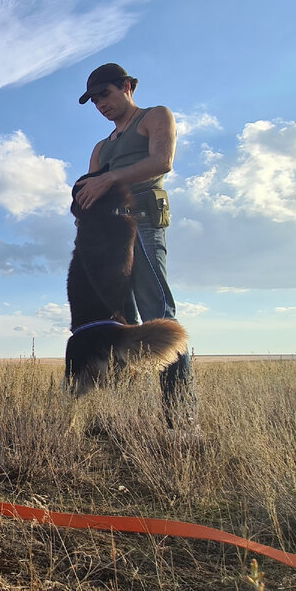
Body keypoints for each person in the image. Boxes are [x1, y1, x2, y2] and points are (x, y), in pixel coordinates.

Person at [75, 63, 198, 431]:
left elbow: (163, 161)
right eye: (94, 101)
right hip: (107, 234)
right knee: (117, 321)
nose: (101, 105)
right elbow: (91, 188)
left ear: (127, 86)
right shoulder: (101, 147)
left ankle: (181, 420)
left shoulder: (154, 116)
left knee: (157, 311)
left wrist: (110, 177)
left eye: (105, 95)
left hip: (142, 219)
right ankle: (118, 418)